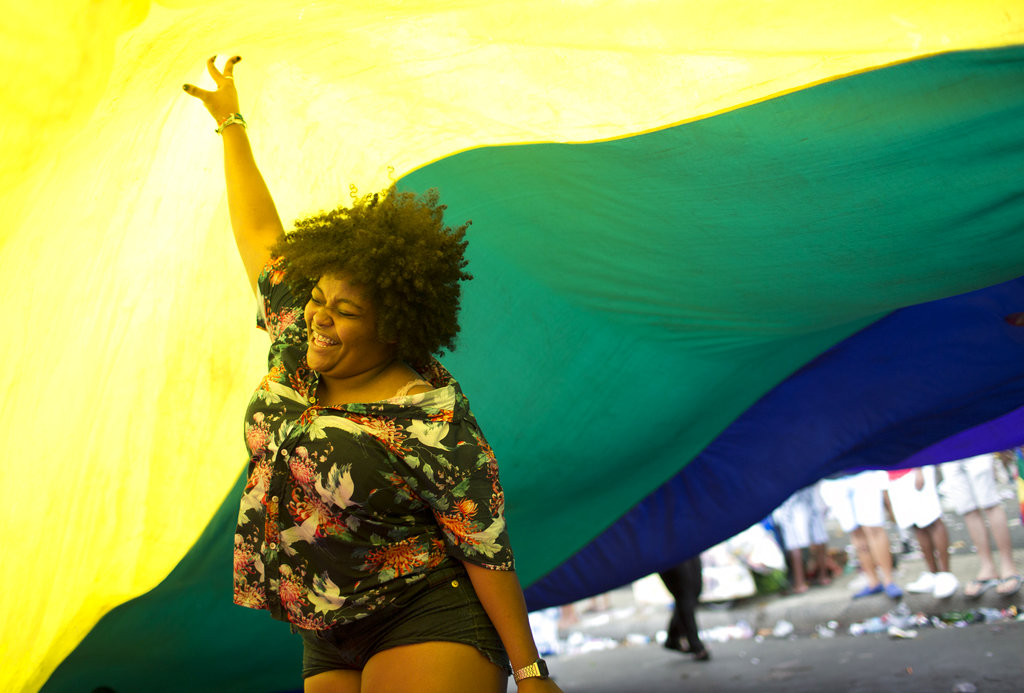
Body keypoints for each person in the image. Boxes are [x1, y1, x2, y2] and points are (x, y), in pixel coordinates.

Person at [183, 56, 563, 693]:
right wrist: (232, 123)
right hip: (324, 627)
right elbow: (257, 233)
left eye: (345, 310)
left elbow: (485, 545)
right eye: (319, 297)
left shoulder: (429, 417)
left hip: (425, 612)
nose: (320, 316)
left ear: (394, 330)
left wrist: (530, 672)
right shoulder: (296, 346)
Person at [940, 454, 1022, 598]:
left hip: (975, 443)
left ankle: (1008, 567)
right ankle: (987, 567)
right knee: (967, 508)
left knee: (989, 502)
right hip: (947, 448)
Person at [818, 471, 903, 599]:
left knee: (873, 528)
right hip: (833, 478)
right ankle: (873, 581)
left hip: (862, 472)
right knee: (855, 532)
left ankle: (888, 580)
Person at [885, 466, 958, 598]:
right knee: (917, 525)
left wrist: (918, 468)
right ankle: (933, 573)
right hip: (894, 474)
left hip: (915, 467)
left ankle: (946, 574)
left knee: (932, 519)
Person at [772, 483, 840, 593]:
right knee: (818, 535)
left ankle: (800, 583)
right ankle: (823, 576)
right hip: (811, 492)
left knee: (794, 542)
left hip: (791, 499)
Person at [657, 556, 710, 661]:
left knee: (695, 590)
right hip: (666, 549)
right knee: (685, 593)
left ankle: (673, 637)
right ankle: (696, 645)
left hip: (687, 546)